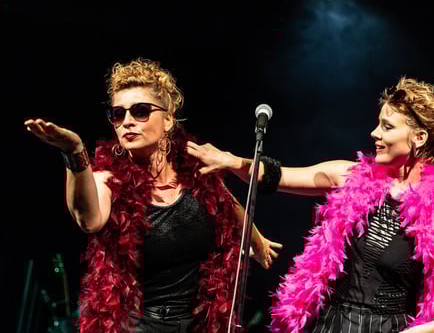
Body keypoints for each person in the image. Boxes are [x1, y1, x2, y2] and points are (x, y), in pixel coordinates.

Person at [188, 77, 434, 333]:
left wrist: (419, 331)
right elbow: (276, 176)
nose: (375, 133)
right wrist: (232, 161)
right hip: (330, 325)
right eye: (378, 124)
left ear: (419, 137)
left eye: (387, 127)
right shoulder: (348, 176)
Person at [24, 58, 282, 333]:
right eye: (118, 114)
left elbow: (229, 204)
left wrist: (257, 240)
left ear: (168, 119)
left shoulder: (195, 173)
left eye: (140, 111)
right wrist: (74, 152)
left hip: (200, 325)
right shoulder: (108, 179)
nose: (127, 122)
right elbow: (89, 220)